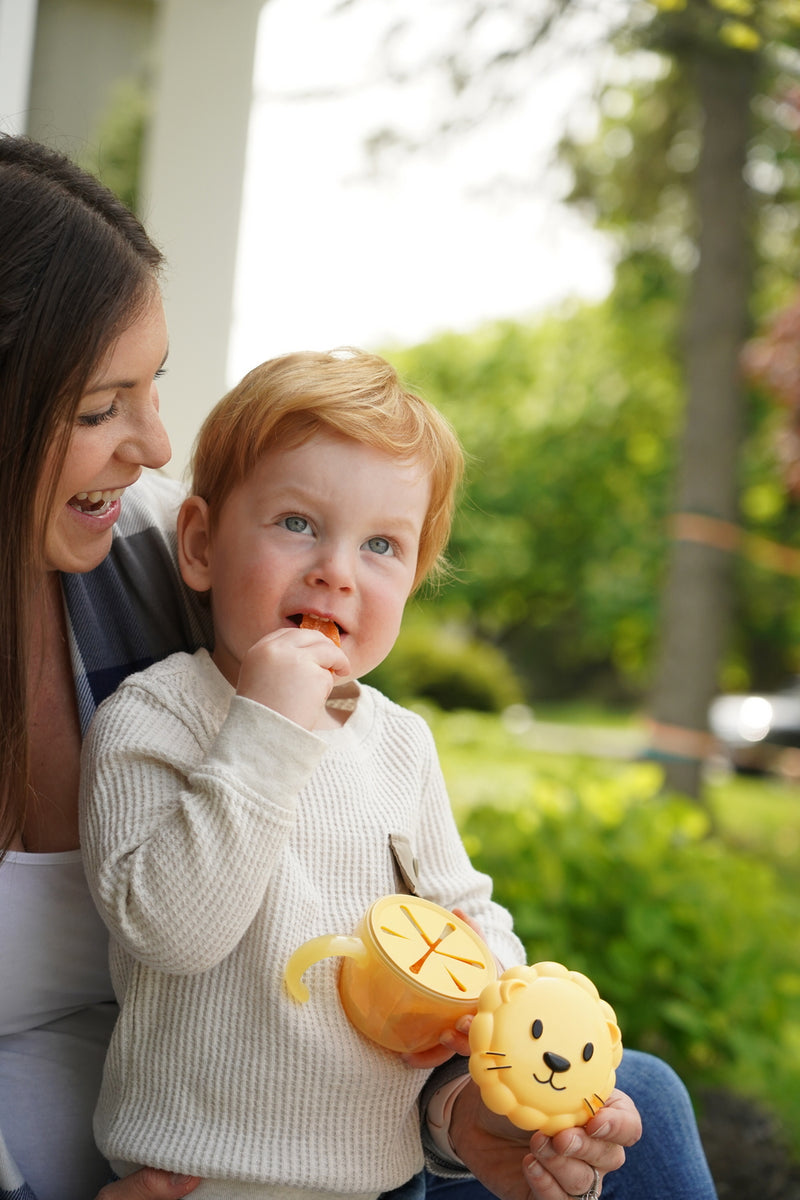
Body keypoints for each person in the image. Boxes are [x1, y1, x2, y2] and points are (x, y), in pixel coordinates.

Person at [0, 131, 709, 1200]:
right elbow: (178, 928)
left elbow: (436, 933)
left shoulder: (132, 551)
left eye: (381, 548)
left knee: (632, 1110)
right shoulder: (165, 713)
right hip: (170, 1158)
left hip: (358, 1155)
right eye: (100, 408)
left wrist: (477, 1096)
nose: (153, 441)